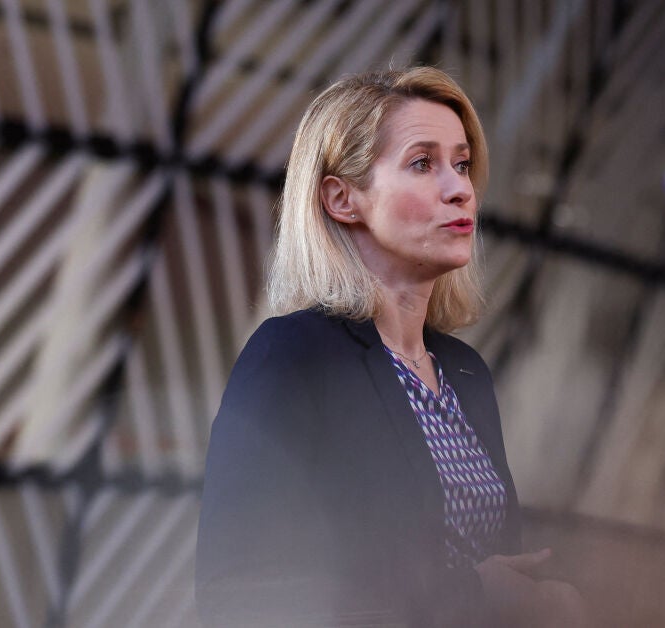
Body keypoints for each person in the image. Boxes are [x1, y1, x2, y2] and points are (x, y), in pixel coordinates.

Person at [195, 66, 589, 627]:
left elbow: (502, 565)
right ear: (342, 199)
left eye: (462, 164)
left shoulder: (465, 372)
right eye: (422, 163)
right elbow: (237, 596)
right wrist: (474, 594)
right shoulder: (292, 354)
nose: (460, 189)